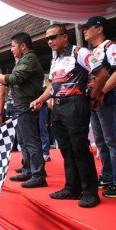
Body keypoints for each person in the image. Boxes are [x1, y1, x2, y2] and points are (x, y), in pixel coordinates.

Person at [31, 23, 101, 208]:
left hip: (76, 105)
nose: (49, 41)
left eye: (53, 37)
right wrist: (40, 99)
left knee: (80, 149)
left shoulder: (81, 52)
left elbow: (101, 74)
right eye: (47, 39)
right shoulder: (55, 60)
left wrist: (93, 97)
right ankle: (72, 188)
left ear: (65, 37)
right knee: (66, 150)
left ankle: (91, 192)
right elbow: (52, 85)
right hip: (59, 108)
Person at [0, 32, 46, 188]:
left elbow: (15, 78)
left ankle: (38, 174)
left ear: (23, 46)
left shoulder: (29, 59)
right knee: (23, 140)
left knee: (30, 140)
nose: (11, 49)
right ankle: (28, 170)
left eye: (13, 46)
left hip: (26, 103)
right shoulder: (23, 60)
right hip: (20, 104)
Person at [81, 16, 116, 199]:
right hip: (95, 98)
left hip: (108, 97)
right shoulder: (93, 50)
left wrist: (101, 93)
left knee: (112, 139)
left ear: (99, 28)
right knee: (100, 140)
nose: (84, 31)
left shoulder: (110, 46)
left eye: (88, 27)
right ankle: (108, 176)